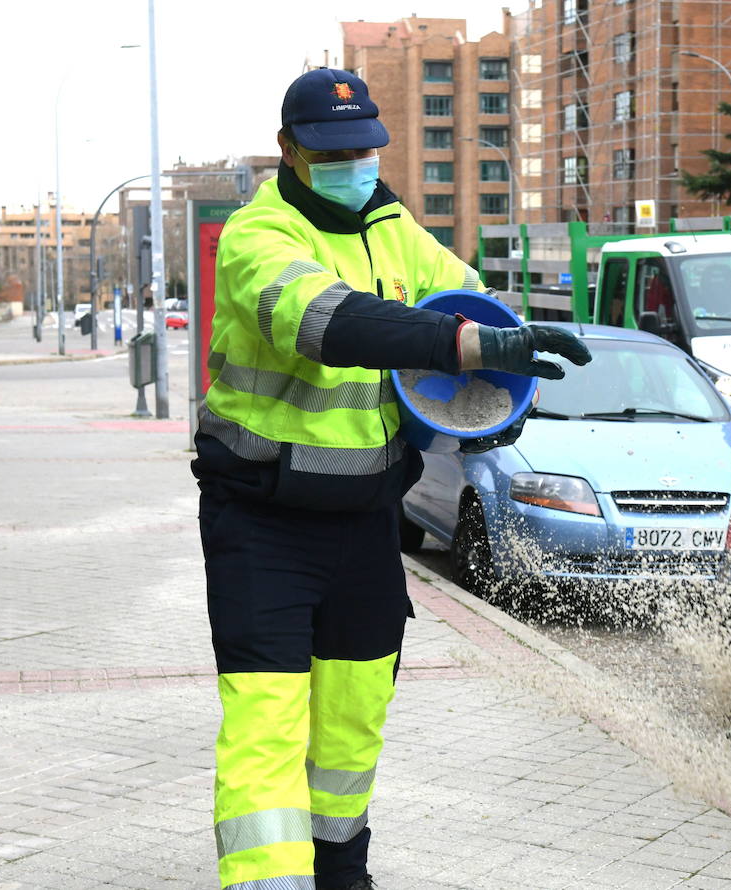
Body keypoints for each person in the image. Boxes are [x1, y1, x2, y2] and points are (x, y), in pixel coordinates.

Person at [191, 67, 591, 890]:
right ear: (288, 152)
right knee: (267, 725)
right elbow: (325, 321)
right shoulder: (258, 234)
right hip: (263, 525)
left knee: (352, 722)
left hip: (368, 526)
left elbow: (472, 312)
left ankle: (342, 873)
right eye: (331, 151)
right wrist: (462, 348)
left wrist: (501, 396)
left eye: (364, 148)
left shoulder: (396, 228)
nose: (352, 164)